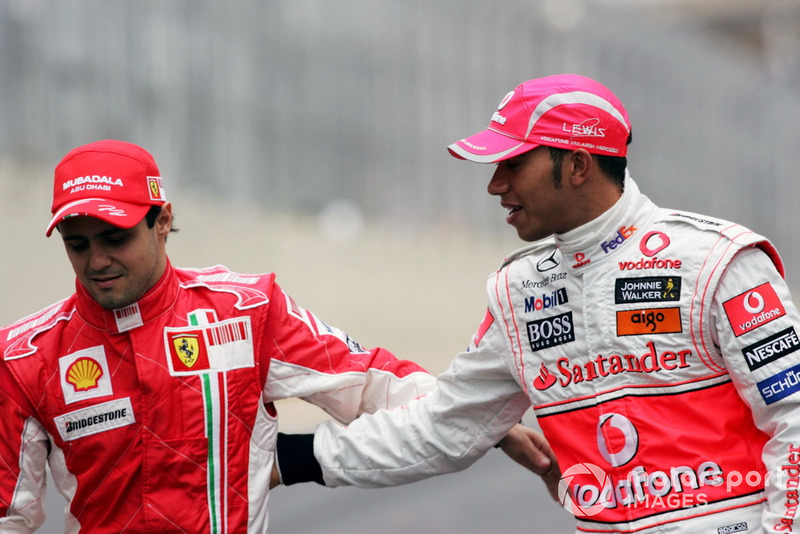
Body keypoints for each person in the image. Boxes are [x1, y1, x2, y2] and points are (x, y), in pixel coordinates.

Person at [274, 74, 800, 533]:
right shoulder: (518, 290)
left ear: (577, 165)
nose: (494, 184)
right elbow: (442, 425)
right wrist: (282, 460)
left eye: (513, 163)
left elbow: (793, 419)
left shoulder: (717, 262)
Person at [0, 139, 552, 533]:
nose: (97, 261)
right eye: (78, 244)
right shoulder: (24, 357)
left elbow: (370, 382)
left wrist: (488, 422)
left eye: (114, 238)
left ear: (162, 220)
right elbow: (11, 514)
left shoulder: (244, 311)